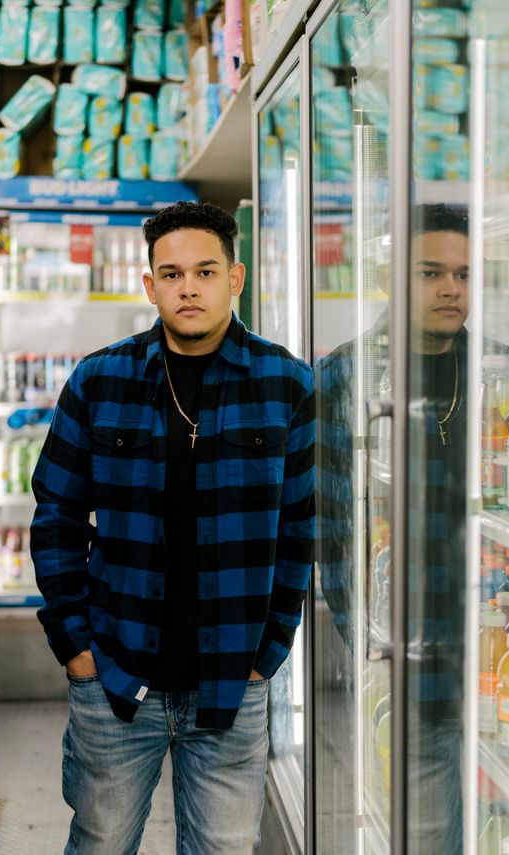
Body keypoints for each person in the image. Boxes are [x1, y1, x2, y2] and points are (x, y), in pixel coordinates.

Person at [30, 200, 316, 854]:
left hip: (231, 683)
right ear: (150, 284)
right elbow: (56, 515)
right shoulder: (100, 381)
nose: (189, 286)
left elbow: (301, 530)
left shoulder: (287, 385)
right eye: (172, 273)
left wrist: (268, 652)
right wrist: (76, 647)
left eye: (206, 271)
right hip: (116, 673)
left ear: (236, 279)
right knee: (100, 842)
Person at [315, 204, 472, 854]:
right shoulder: (343, 378)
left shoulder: (503, 374)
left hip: (503, 660)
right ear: (392, 275)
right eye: (431, 272)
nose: (451, 289)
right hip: (410, 672)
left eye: (464, 274)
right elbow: (330, 535)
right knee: (427, 838)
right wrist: (374, 652)